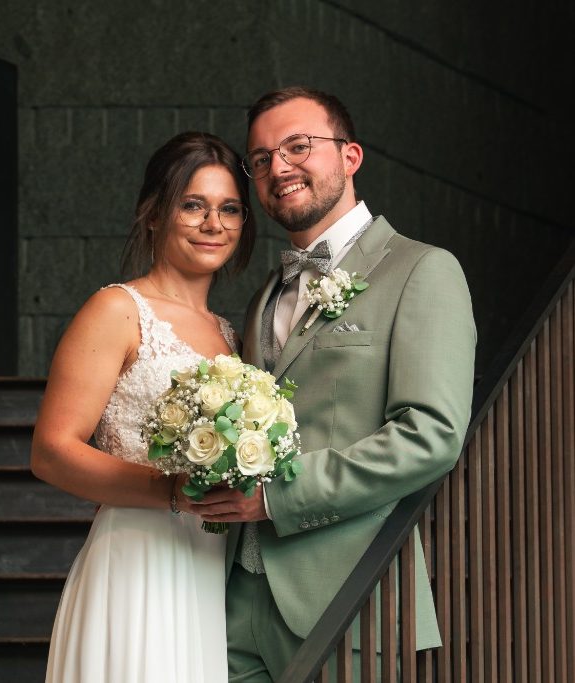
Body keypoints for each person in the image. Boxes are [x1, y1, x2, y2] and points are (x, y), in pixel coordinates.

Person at [195, 87, 476, 680]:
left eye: (298, 146)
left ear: (350, 156)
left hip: (347, 602)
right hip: (230, 600)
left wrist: (275, 498)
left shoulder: (423, 270)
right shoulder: (264, 296)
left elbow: (431, 435)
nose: (279, 167)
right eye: (262, 158)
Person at [30, 131, 256, 683]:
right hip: (136, 561)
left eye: (229, 209)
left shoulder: (231, 334)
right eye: (193, 205)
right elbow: (52, 452)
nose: (214, 224)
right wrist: (173, 492)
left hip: (207, 567)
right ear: (154, 214)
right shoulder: (117, 309)